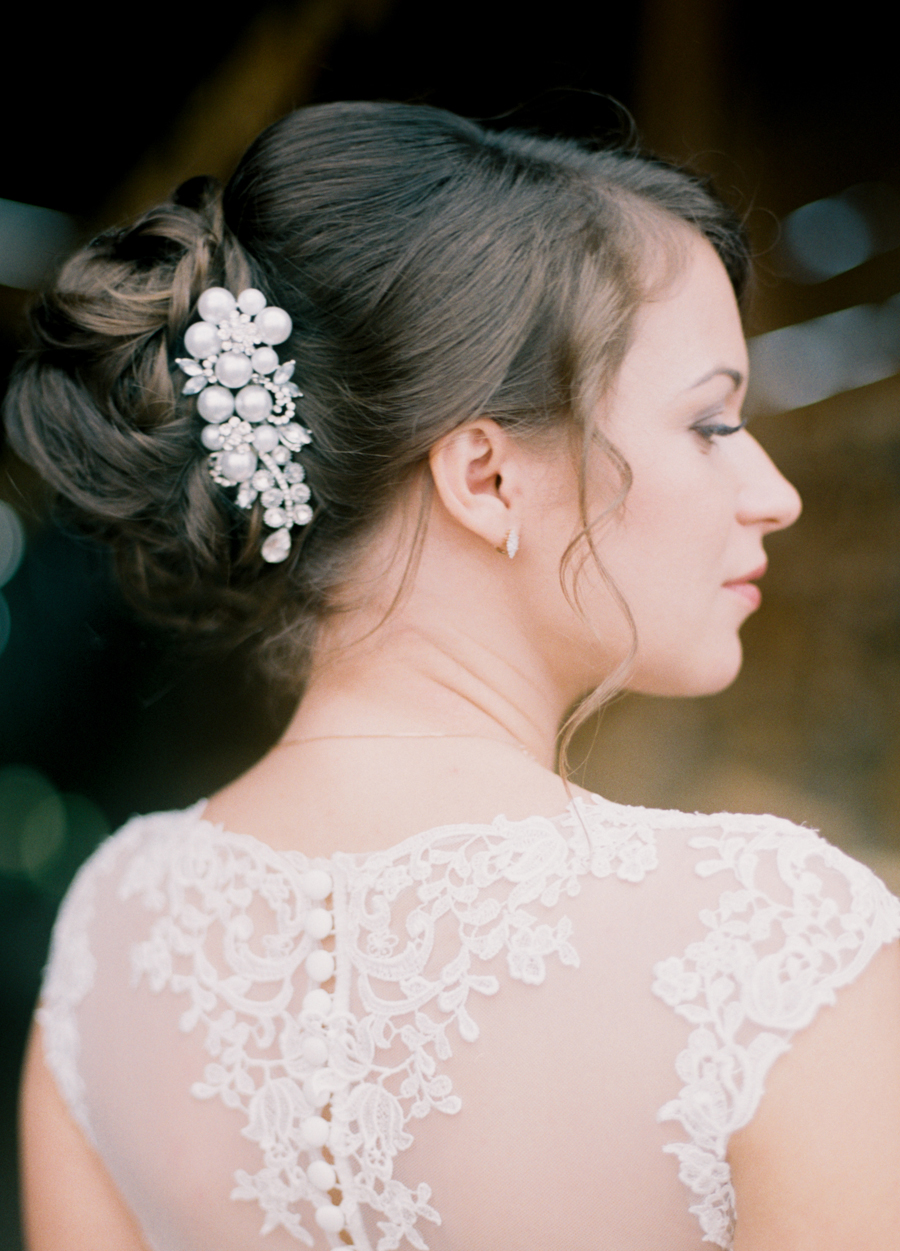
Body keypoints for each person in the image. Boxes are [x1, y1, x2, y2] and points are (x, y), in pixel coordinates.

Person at [7, 101, 900, 1251]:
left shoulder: (109, 945)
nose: (773, 491)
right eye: (713, 423)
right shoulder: (780, 952)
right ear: (485, 475)